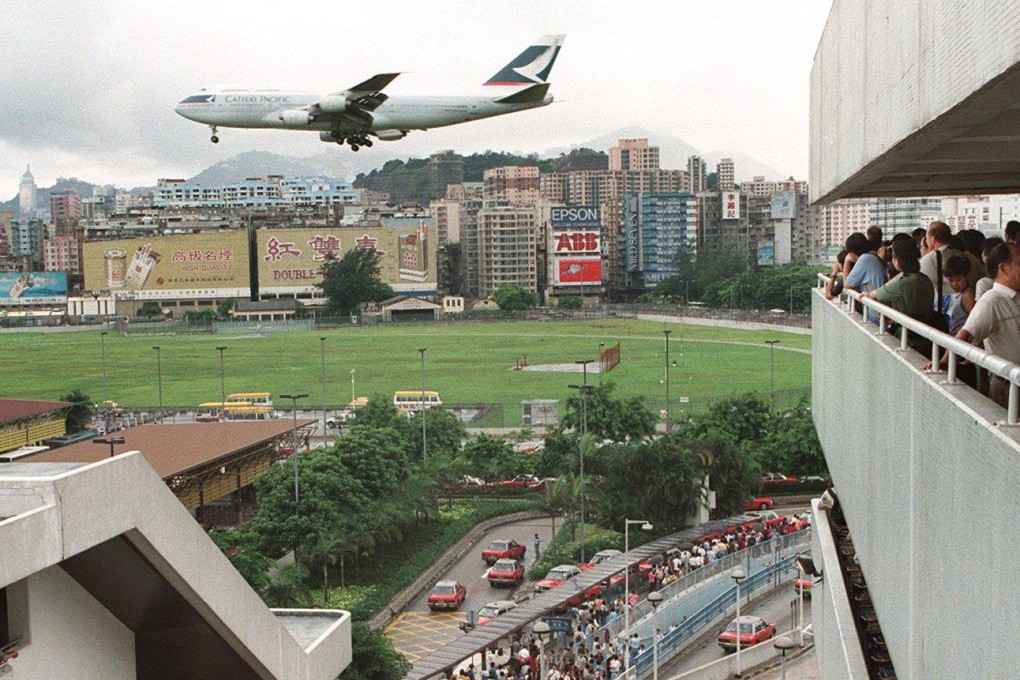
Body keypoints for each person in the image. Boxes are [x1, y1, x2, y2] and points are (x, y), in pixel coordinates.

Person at [924, 243, 1020, 407]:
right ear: (1003, 268)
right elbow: (965, 334)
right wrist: (945, 362)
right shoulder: (991, 300)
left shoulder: (1016, 297)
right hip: (1009, 386)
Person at [944, 256, 976, 335]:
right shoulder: (961, 294)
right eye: (951, 280)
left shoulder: (968, 296)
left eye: (958, 279)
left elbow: (976, 322)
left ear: (967, 276)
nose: (954, 284)